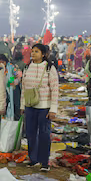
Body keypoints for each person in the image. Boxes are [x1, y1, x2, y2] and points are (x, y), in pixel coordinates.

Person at [20, 43, 59, 171]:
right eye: (32, 51)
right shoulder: (27, 67)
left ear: (43, 54)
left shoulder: (49, 68)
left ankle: (44, 162)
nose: (33, 53)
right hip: (30, 106)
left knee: (44, 134)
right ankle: (33, 159)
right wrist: (22, 105)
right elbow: (24, 89)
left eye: (36, 51)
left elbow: (54, 89)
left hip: (44, 107)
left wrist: (53, 109)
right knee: (30, 133)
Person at [0, 54, 22, 121]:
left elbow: (17, 76)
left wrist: (13, 82)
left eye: (3, 62)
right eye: (0, 62)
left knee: (15, 106)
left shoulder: (11, 67)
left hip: (13, 90)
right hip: (3, 90)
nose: (2, 64)